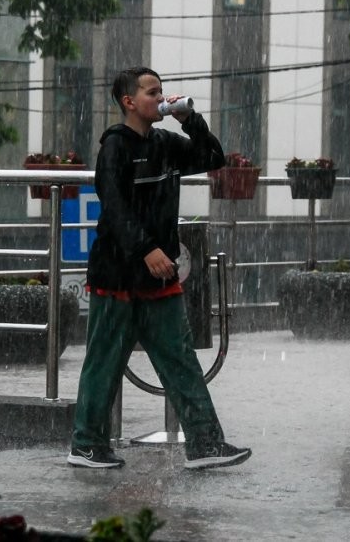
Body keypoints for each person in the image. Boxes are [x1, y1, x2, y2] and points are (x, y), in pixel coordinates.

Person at [68, 66, 251, 470]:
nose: (161, 98)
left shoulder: (165, 143)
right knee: (104, 361)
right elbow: (114, 207)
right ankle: (86, 444)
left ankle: (204, 444)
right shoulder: (115, 147)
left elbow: (212, 157)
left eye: (161, 91)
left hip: (159, 277)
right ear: (129, 101)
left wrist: (191, 120)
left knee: (180, 359)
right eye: (151, 93)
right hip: (118, 275)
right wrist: (146, 249)